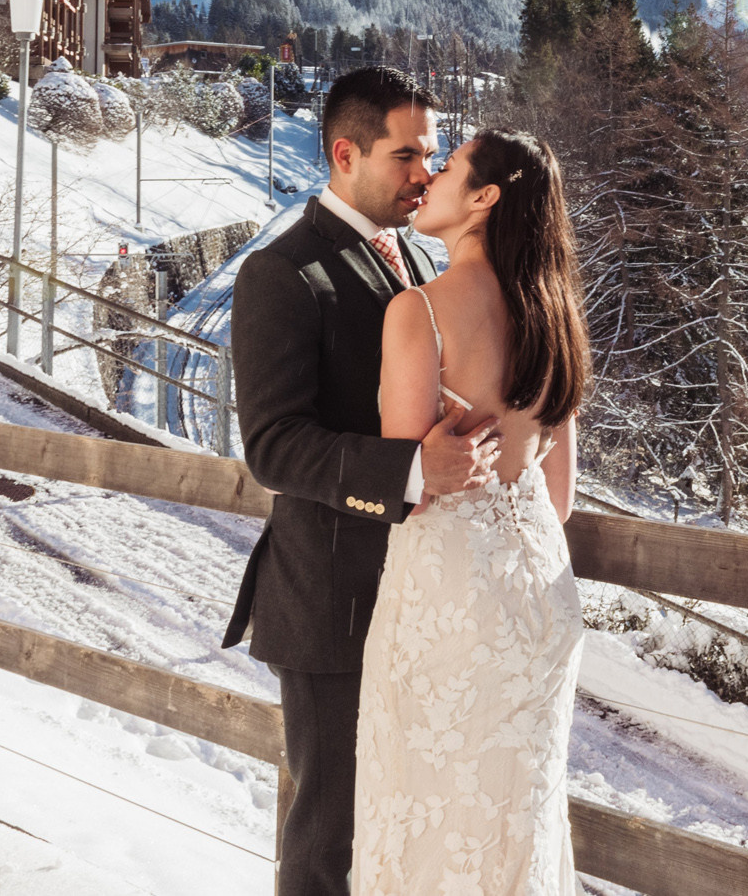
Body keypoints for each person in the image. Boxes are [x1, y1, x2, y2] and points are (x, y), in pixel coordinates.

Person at [221, 67, 503, 896]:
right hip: (329, 605)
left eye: (431, 153)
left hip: (414, 599)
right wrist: (413, 469)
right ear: (345, 154)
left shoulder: (413, 255)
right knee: (328, 847)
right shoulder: (281, 272)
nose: (426, 171)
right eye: (406, 154)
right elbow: (272, 446)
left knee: (400, 834)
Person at [353, 127, 592, 893]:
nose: (431, 176)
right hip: (542, 596)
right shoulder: (554, 315)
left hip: (450, 598)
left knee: (425, 817)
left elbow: (411, 485)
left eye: (450, 164)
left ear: (484, 196)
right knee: (515, 822)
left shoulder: (419, 312)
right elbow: (560, 498)